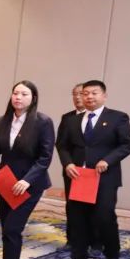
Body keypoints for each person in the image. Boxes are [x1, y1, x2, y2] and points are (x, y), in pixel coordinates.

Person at [56, 80, 130, 259]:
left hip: (104, 178)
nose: (89, 97)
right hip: (78, 177)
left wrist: (108, 160)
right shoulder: (72, 120)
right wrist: (68, 163)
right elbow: (62, 145)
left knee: (104, 217)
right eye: (85, 93)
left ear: (104, 96)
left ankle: (112, 257)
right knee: (77, 219)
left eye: (94, 93)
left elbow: (127, 144)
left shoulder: (117, 118)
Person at [0, 81, 54, 259]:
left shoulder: (42, 122)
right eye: (15, 93)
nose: (18, 97)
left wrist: (27, 180)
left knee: (12, 229)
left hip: (29, 186)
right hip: (6, 183)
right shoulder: (2, 121)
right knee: (9, 231)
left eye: (24, 94)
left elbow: (45, 157)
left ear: (33, 98)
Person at [55, 83, 85, 250]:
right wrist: (67, 163)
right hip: (72, 169)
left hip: (93, 171)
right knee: (72, 206)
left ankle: (95, 243)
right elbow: (61, 144)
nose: (77, 97)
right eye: (74, 94)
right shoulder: (67, 118)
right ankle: (72, 240)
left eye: (81, 93)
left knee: (93, 209)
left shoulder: (100, 118)